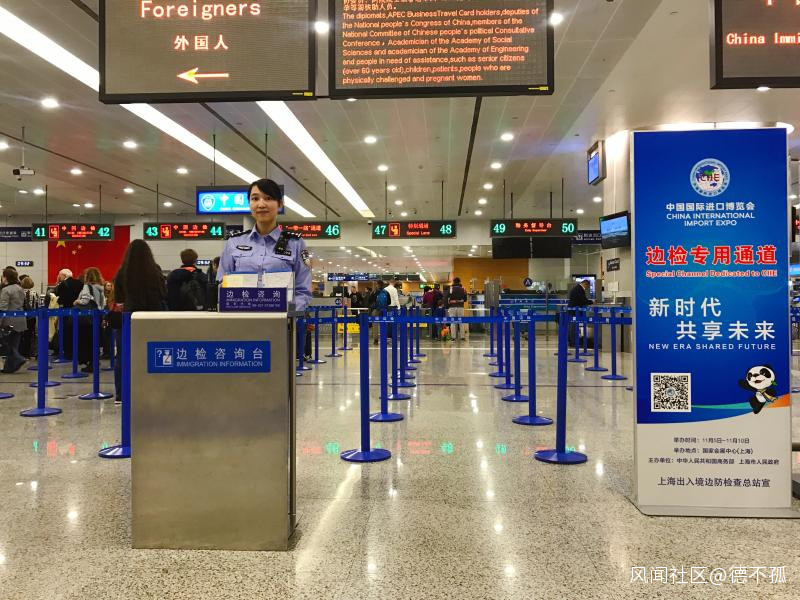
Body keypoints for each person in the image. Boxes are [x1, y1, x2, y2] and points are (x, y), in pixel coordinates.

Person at [217, 178, 311, 313]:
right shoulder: (234, 242)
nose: (261, 204)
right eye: (255, 198)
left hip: (281, 322)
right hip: (241, 320)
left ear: (280, 204)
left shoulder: (295, 243)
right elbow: (222, 285)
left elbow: (303, 291)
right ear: (249, 204)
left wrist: (286, 316)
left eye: (268, 198)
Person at [112, 240, 167, 404]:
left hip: (129, 319)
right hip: (152, 319)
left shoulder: (122, 272)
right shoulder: (155, 271)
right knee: (152, 355)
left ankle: (121, 394)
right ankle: (152, 391)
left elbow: (119, 299)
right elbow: (163, 294)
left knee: (123, 356)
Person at [75, 267, 106, 372]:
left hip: (88, 318)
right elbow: (103, 304)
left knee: (87, 341)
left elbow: (85, 300)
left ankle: (90, 363)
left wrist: (77, 302)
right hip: (98, 316)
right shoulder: (101, 288)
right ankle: (94, 362)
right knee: (95, 340)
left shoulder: (87, 286)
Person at [0, 268, 27, 373]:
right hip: (21, 319)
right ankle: (9, 368)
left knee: (7, 344)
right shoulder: (19, 288)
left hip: (9, 321)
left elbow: (3, 308)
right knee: (14, 344)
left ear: (5, 277)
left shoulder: (6, 290)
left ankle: (19, 358)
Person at [19, 275, 39, 358]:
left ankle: (22, 353)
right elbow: (37, 305)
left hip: (22, 316)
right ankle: (30, 353)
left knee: (22, 335)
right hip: (32, 317)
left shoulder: (20, 292)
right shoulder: (34, 293)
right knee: (31, 334)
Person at [446, 277, 468, 341]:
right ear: (459, 282)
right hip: (460, 307)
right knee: (461, 321)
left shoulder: (450, 289)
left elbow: (447, 297)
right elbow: (465, 299)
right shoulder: (463, 289)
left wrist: (449, 304)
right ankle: (462, 337)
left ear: (453, 282)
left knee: (453, 322)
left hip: (452, 307)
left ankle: (453, 337)